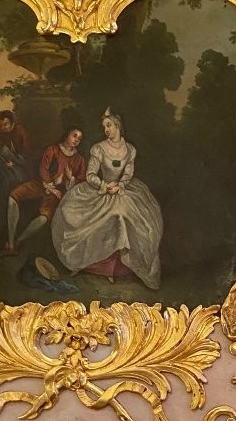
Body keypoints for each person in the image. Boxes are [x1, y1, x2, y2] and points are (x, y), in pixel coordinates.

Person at [51, 108, 163, 288]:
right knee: (70, 210)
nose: (106, 130)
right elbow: (90, 175)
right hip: (102, 190)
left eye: (109, 125)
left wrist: (120, 185)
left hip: (123, 191)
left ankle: (118, 268)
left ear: (117, 125)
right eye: (104, 127)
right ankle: (99, 267)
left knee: (123, 215)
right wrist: (104, 185)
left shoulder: (130, 150)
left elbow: (128, 174)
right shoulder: (99, 148)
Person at [2, 127, 87, 255]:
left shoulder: (79, 159)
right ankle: (10, 243)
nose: (76, 140)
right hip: (41, 184)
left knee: (44, 218)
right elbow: (43, 168)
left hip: (57, 194)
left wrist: (71, 179)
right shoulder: (53, 150)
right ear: (67, 135)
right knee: (12, 196)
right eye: (74, 136)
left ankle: (18, 241)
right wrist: (49, 185)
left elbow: (82, 181)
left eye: (79, 139)